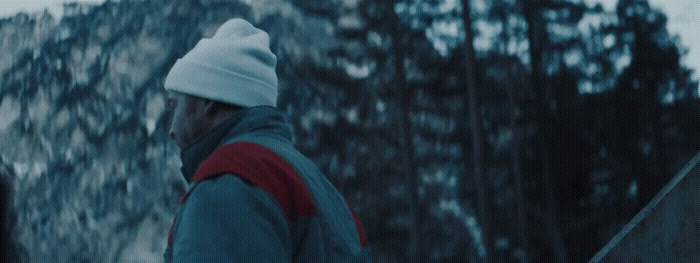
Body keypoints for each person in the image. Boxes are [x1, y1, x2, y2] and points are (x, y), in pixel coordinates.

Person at [162, 18, 370, 262]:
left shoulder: (226, 182)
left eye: (174, 106)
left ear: (207, 99)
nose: (171, 129)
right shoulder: (320, 187)